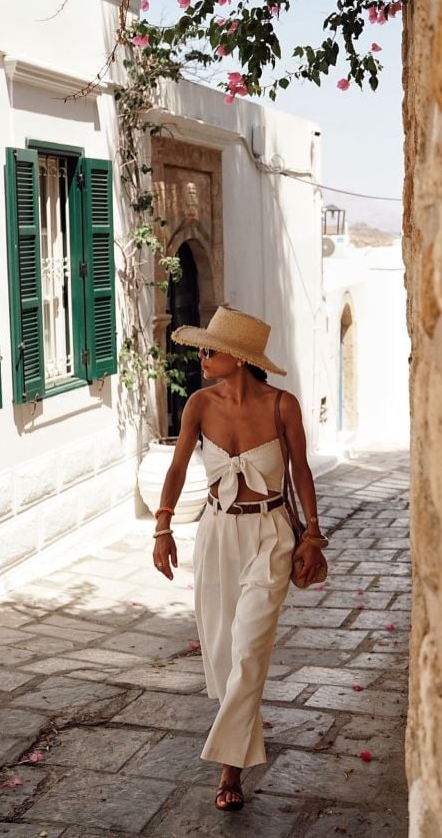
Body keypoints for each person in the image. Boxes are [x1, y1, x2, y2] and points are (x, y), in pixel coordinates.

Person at [151, 305, 328, 812]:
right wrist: (163, 528)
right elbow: (179, 468)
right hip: (216, 535)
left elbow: (300, 473)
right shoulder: (199, 406)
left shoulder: (282, 405)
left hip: (270, 535)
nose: (202, 356)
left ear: (240, 357)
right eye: (203, 347)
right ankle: (238, 755)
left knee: (249, 650)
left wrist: (313, 534)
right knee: (226, 654)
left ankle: (230, 769)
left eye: (211, 349)